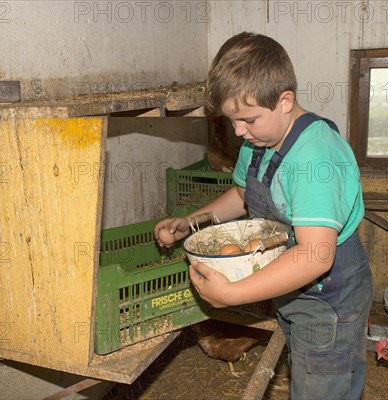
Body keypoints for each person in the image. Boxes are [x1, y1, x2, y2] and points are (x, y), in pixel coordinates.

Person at [154, 31, 372, 400]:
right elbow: (242, 195)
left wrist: (233, 294)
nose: (239, 131)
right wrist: (192, 222)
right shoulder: (261, 141)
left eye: (249, 119)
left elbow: (316, 255)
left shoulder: (314, 159)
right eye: (232, 120)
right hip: (292, 282)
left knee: (321, 387)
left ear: (285, 101)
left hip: (328, 298)